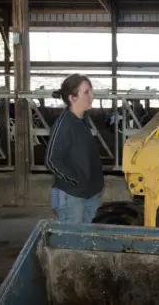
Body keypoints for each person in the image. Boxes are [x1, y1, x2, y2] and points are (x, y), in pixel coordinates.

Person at [45, 73, 104, 223]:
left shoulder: (82, 120)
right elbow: (52, 160)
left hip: (90, 194)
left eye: (91, 91)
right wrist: (75, 180)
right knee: (71, 241)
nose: (91, 96)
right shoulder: (64, 124)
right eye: (86, 92)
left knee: (87, 240)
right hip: (72, 196)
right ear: (72, 98)